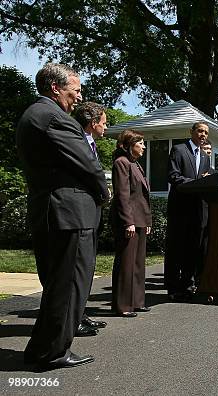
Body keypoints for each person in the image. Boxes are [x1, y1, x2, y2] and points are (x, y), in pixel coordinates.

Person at [17, 63, 109, 369]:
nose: (80, 96)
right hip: (69, 213)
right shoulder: (56, 118)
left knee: (58, 286)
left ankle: (41, 349)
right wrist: (104, 193)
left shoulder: (34, 115)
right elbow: (88, 165)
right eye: (76, 88)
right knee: (70, 286)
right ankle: (52, 352)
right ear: (56, 87)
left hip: (51, 211)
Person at [72, 101, 109, 335]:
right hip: (79, 211)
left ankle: (80, 313)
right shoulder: (77, 142)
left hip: (92, 211)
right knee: (78, 268)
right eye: (104, 123)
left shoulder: (92, 144)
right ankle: (73, 320)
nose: (106, 127)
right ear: (93, 123)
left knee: (87, 266)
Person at [165, 122, 213, 301]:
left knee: (193, 250)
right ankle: (172, 288)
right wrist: (197, 183)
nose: (203, 135)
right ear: (191, 132)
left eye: (206, 132)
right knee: (176, 249)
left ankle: (187, 286)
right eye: (200, 131)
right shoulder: (178, 150)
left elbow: (205, 180)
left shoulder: (205, 157)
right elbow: (173, 176)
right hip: (180, 209)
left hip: (198, 210)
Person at [110, 130, 152, 317]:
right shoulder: (122, 163)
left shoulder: (136, 164)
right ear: (129, 145)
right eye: (140, 143)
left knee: (137, 264)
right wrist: (128, 222)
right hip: (128, 221)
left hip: (140, 220)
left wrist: (147, 220)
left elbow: (143, 197)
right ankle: (123, 305)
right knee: (126, 263)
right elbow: (122, 195)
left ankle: (137, 302)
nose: (144, 146)